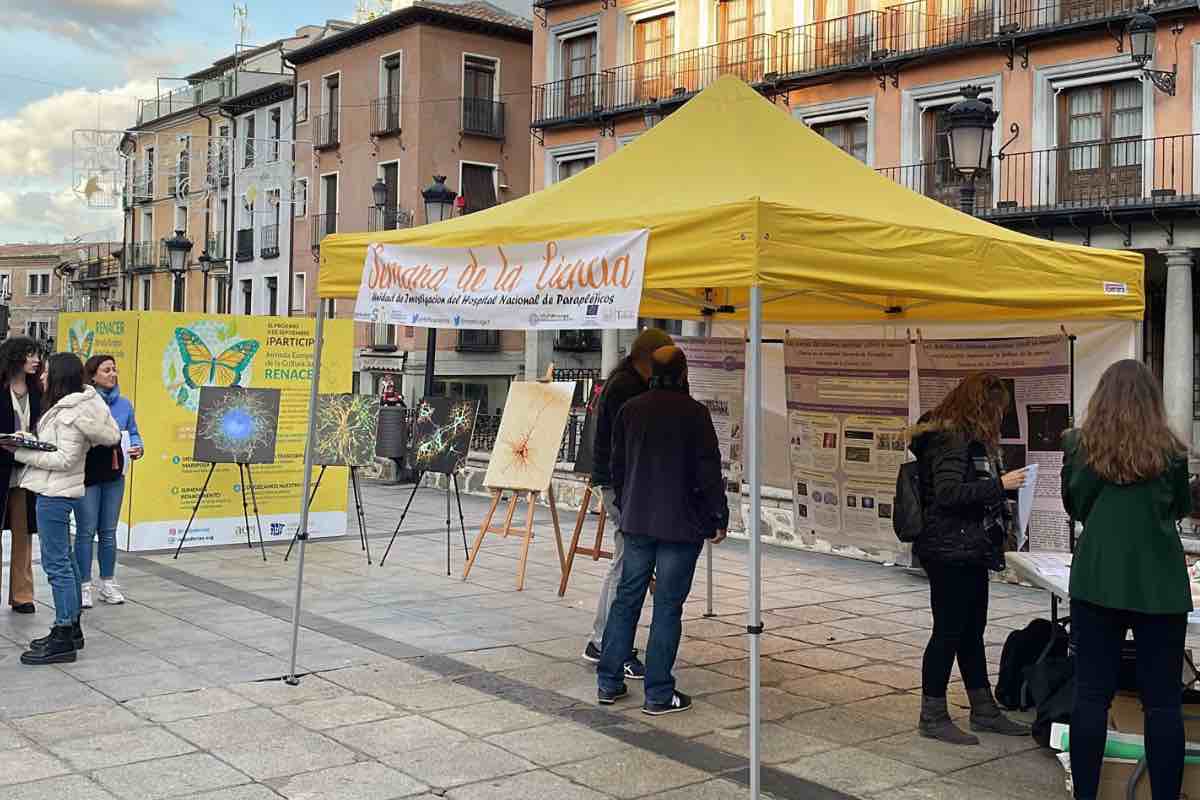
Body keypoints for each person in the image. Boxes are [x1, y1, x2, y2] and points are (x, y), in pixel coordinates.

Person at [1063, 360, 1193, 800]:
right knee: (1163, 704)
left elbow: (1076, 504)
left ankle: (1085, 795)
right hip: (1159, 583)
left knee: (1091, 696)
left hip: (1098, 578)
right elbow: (1179, 508)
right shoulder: (1171, 451)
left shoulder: (1081, 446)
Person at [597, 346, 728, 715]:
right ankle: (658, 692)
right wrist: (718, 517)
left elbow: (616, 468)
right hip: (680, 524)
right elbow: (708, 472)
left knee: (627, 600)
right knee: (668, 607)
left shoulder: (631, 410)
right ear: (684, 374)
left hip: (637, 520)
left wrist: (626, 506)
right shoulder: (695, 414)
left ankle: (608, 682)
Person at [908, 372, 1029, 744]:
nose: (1000, 418)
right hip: (949, 550)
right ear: (982, 406)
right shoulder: (952, 439)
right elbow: (947, 493)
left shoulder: (963, 438)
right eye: (998, 410)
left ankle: (984, 709)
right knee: (947, 632)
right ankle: (932, 714)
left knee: (971, 631)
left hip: (968, 548)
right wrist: (1000, 486)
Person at [9, 353, 120, 665]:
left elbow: (64, 459)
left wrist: (21, 453)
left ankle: (63, 634)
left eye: (46, 372)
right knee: (67, 563)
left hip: (55, 494)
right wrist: (29, 441)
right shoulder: (74, 406)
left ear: (58, 376)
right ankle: (70, 629)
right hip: (58, 491)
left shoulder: (73, 411)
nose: (41, 377)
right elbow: (55, 447)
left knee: (57, 566)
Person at [580, 327, 675, 678]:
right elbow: (628, 445)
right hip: (623, 487)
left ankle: (604, 639)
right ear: (650, 358)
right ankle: (607, 643)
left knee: (624, 564)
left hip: (621, 485)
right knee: (626, 567)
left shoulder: (623, 381)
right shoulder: (626, 387)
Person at [77, 354, 143, 608]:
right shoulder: (83, 402)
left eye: (114, 369)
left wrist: (137, 446)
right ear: (92, 375)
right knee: (85, 530)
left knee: (108, 531)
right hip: (89, 473)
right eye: (107, 370)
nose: (113, 374)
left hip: (115, 474)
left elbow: (134, 432)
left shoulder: (125, 404)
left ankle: (107, 582)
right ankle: (83, 584)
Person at [0, 338, 42, 614]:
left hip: (27, 471)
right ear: (15, 357)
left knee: (23, 533)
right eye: (30, 354)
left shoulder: (38, 391)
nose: (36, 359)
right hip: (1, 467)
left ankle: (22, 594)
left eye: (38, 354)